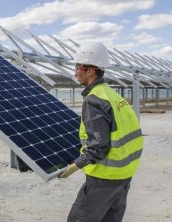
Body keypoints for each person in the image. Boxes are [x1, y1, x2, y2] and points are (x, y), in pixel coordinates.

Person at [58, 42, 143, 222]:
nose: (75, 72)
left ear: (91, 71)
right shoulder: (113, 96)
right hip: (124, 176)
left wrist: (74, 166)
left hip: (104, 178)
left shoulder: (94, 100)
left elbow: (98, 146)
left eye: (78, 67)